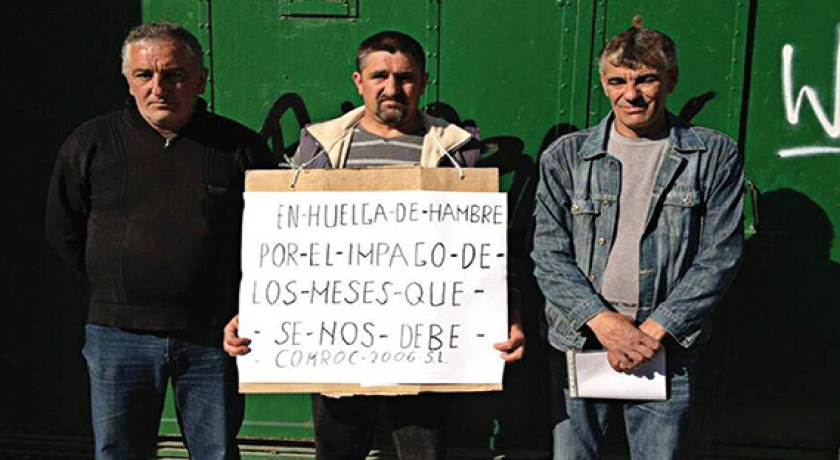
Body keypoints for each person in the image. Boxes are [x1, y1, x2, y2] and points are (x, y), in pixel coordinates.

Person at [224, 31, 525, 460]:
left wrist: (506, 312)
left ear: (422, 82)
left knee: (423, 453)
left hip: (426, 340)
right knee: (338, 452)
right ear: (358, 81)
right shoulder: (320, 148)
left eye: (404, 77)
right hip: (336, 340)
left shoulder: (457, 152)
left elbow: (488, 247)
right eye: (379, 75)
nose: (392, 88)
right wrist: (253, 312)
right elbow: (283, 246)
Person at [45, 22, 276, 460]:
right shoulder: (91, 143)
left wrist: (245, 306)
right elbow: (63, 228)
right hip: (118, 335)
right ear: (128, 81)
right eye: (144, 75)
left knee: (217, 452)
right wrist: (113, 286)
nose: (159, 87)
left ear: (201, 78)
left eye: (174, 74)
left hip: (212, 337)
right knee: (118, 452)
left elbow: (270, 240)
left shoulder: (239, 148)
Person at [531, 23, 744, 460]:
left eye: (645, 78)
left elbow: (719, 255)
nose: (632, 93)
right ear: (604, 84)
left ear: (671, 80)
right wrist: (605, 325)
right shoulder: (566, 157)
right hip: (583, 341)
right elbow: (549, 254)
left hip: (666, 347)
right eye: (618, 81)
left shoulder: (713, 155)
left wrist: (651, 331)